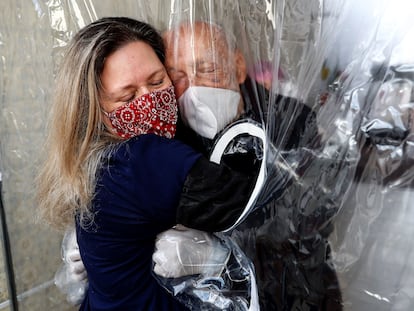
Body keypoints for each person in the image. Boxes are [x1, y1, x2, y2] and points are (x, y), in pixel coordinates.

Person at [36, 17, 260, 311]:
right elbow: (251, 202)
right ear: (93, 110)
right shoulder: (140, 157)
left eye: (157, 81)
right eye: (128, 96)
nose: (150, 101)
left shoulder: (99, 159)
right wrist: (218, 257)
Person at [154, 20, 344, 311]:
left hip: (295, 290)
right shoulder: (168, 139)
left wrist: (218, 255)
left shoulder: (290, 121)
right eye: (176, 76)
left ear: (239, 65)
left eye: (206, 69)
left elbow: (311, 215)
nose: (193, 88)